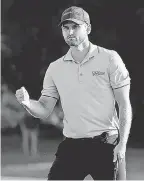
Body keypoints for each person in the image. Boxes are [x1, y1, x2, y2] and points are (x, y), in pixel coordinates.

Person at [16, 6, 132, 180]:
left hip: (107, 144)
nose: (70, 32)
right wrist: (27, 103)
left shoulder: (109, 59)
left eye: (75, 27)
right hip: (72, 146)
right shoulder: (55, 68)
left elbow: (124, 104)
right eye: (65, 27)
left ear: (88, 28)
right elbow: (44, 108)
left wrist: (121, 145)